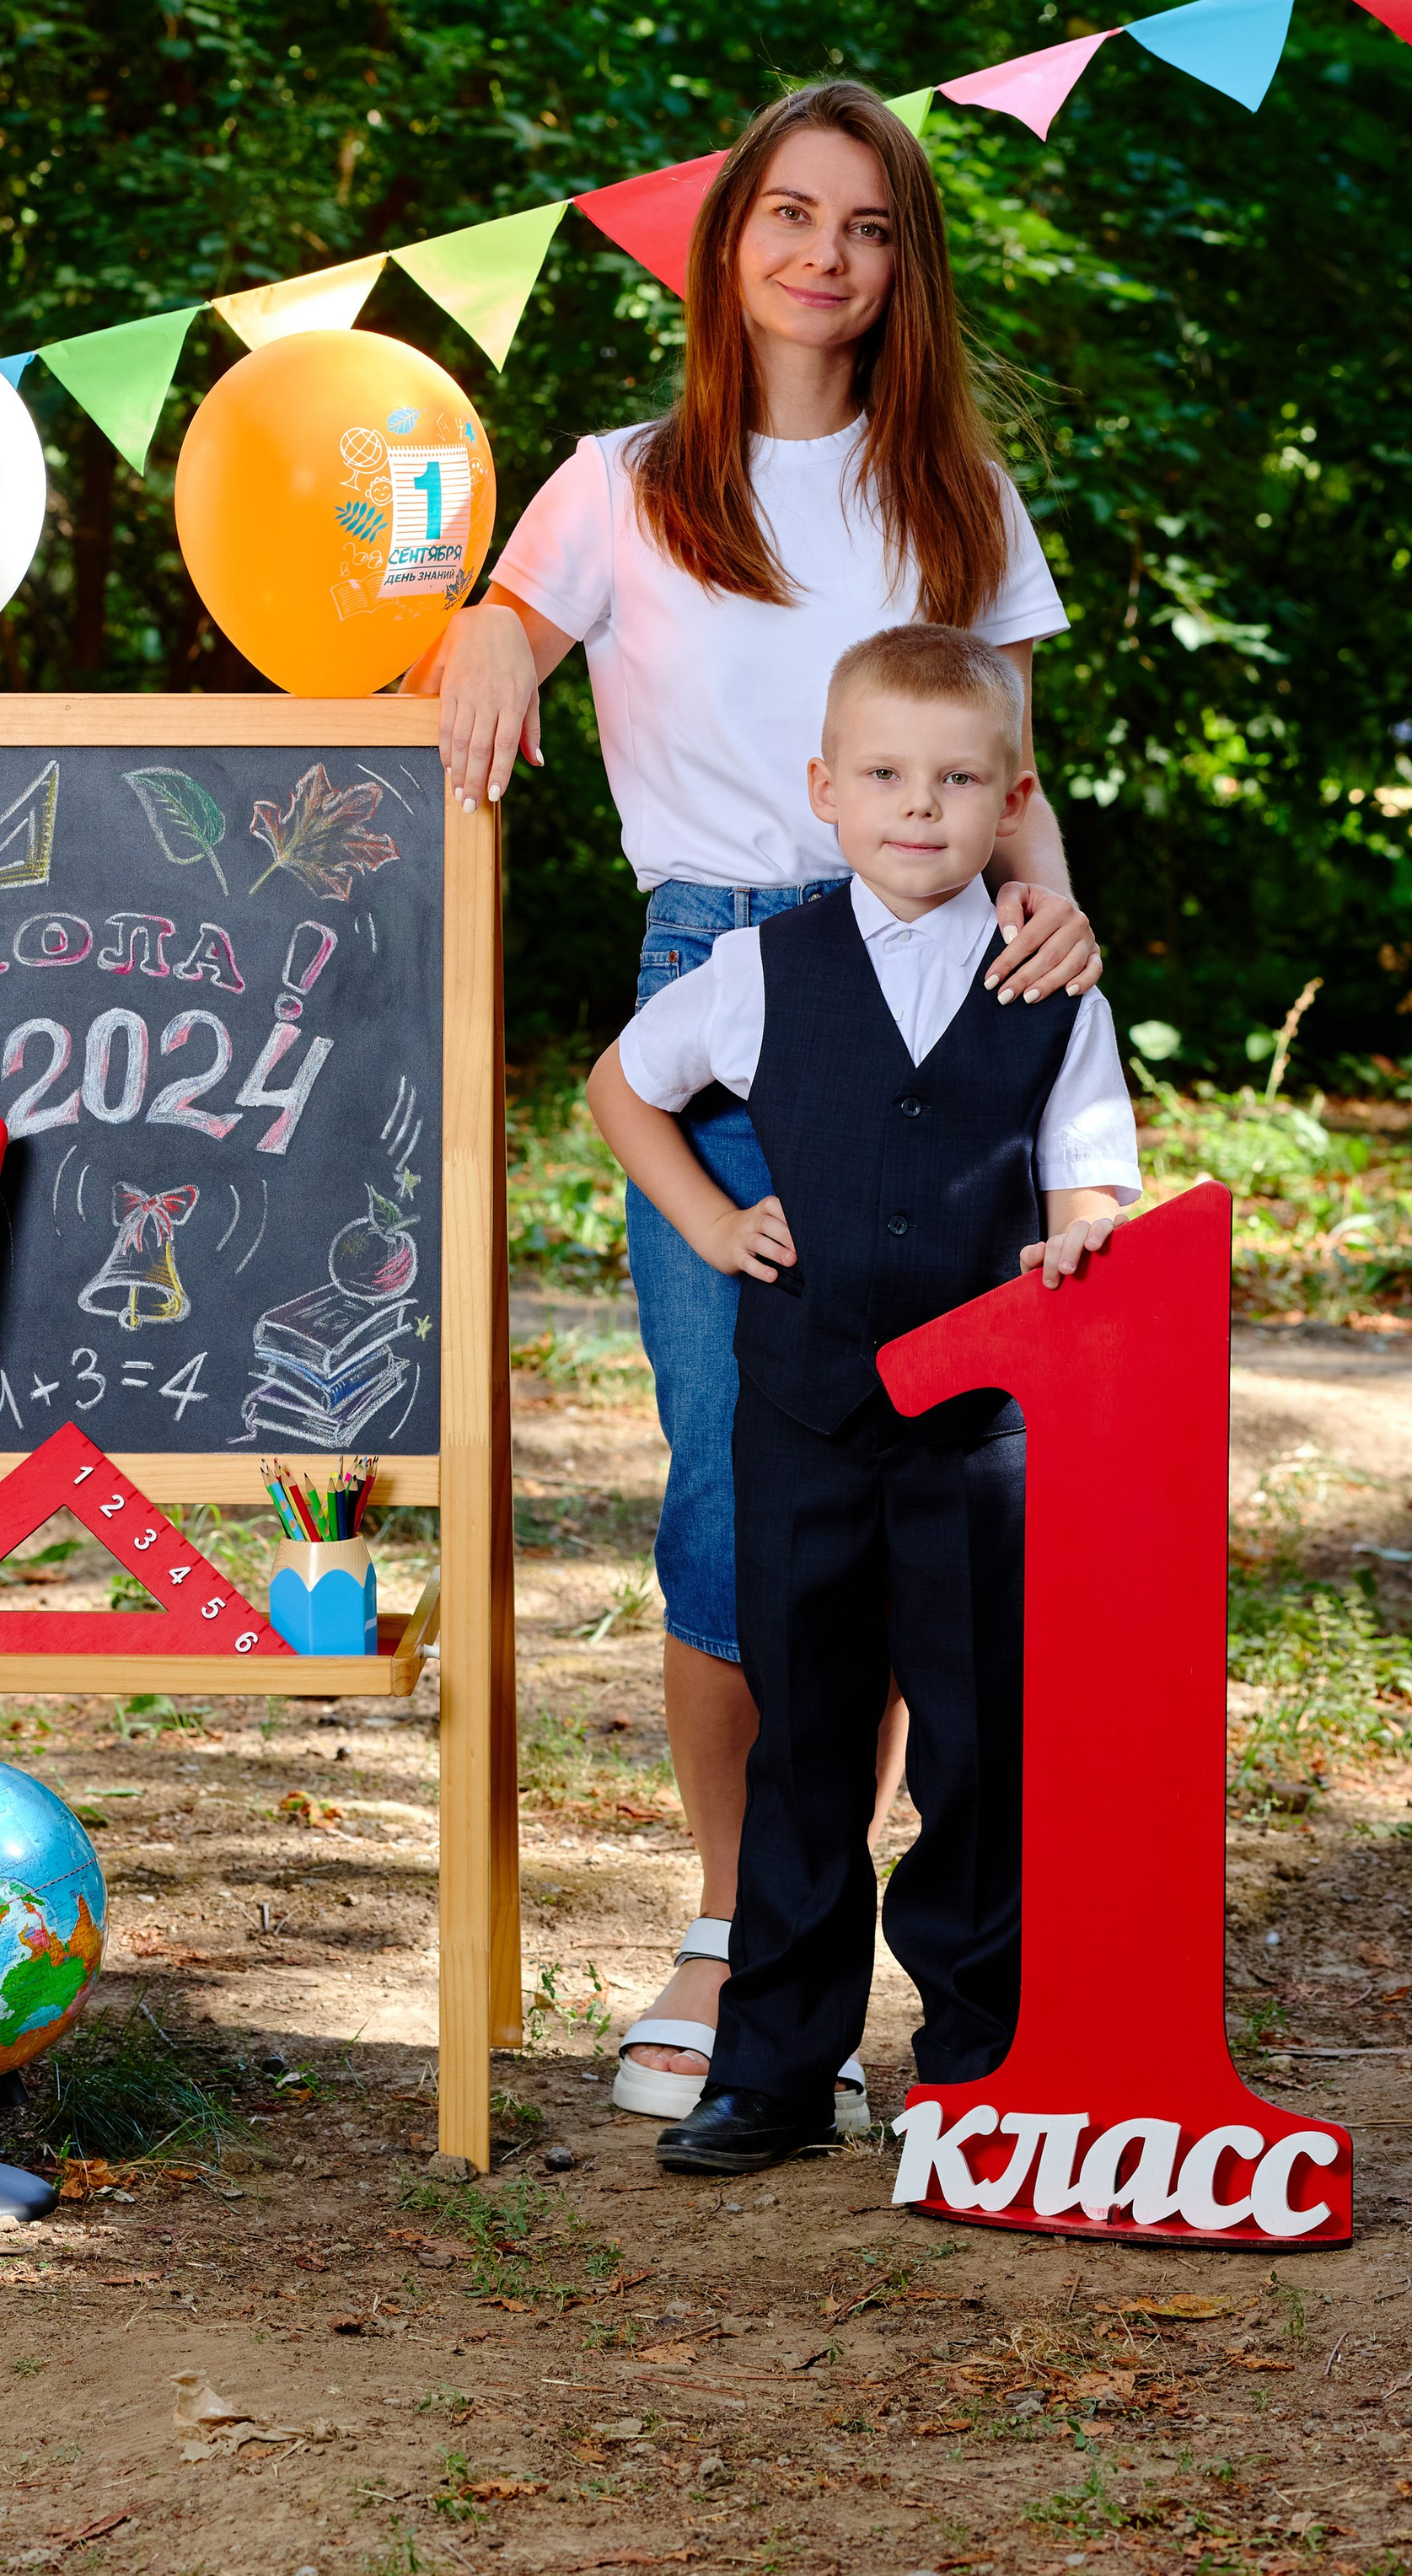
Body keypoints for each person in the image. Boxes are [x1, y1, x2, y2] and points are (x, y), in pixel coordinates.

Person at [407, 79, 1102, 2123]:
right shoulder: (616, 482)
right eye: (786, 215)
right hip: (725, 990)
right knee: (734, 1478)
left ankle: (900, 1970)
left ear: (903, 267)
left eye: (865, 226)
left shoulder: (949, 481)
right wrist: (488, 637)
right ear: (720, 245)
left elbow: (1007, 762)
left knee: (912, 1486)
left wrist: (1043, 912)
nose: (822, 253)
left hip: (940, 980)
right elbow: (503, 634)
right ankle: (733, 1932)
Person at [586, 625, 1140, 2171]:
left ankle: (979, 2065)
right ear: (825, 791)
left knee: (978, 1744)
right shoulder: (759, 970)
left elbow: (1093, 1169)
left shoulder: (1051, 982)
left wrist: (1078, 1234)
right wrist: (710, 1224)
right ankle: (772, 2065)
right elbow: (623, 1085)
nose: (921, 805)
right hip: (806, 1423)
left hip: (978, 1444)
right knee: (806, 1741)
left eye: (959, 779)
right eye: (886, 775)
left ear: (1011, 798)